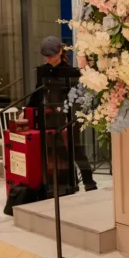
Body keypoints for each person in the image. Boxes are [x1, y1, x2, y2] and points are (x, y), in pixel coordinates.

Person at [33, 36, 97, 192]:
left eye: (52, 55)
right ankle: (70, 183)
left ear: (60, 51)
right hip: (52, 115)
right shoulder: (43, 71)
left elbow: (76, 98)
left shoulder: (71, 72)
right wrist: (27, 111)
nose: (49, 59)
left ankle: (89, 184)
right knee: (60, 151)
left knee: (76, 150)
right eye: (47, 56)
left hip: (70, 116)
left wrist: (70, 119)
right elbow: (37, 94)